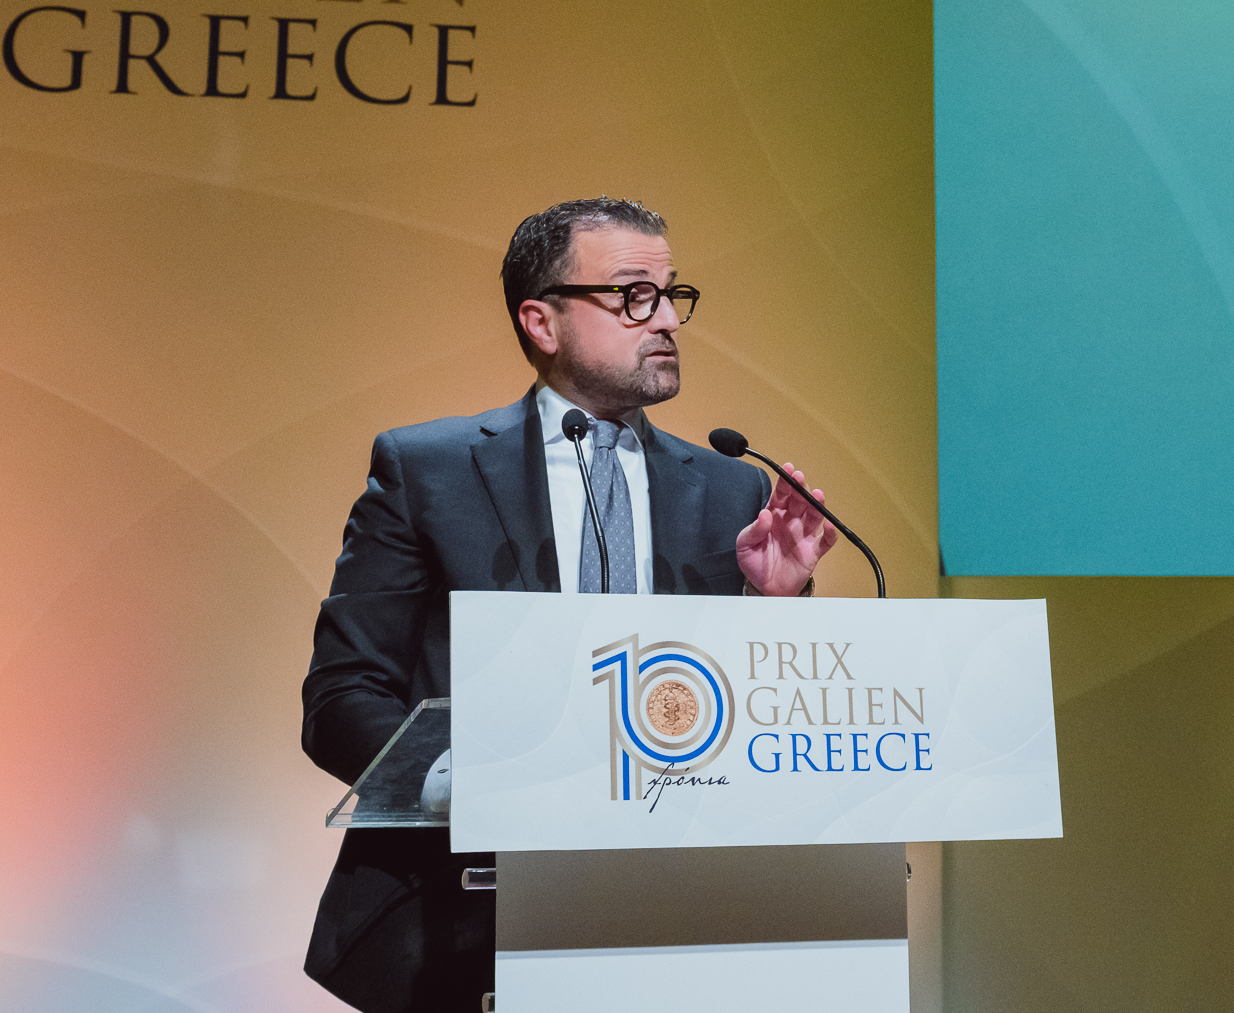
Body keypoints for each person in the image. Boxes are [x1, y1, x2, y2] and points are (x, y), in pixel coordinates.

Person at [299, 196, 837, 1012]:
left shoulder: (731, 487)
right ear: (541, 321)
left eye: (671, 294)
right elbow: (341, 697)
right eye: (633, 296)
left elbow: (744, 717)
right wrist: (469, 787)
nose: (667, 320)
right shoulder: (427, 471)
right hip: (458, 926)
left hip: (683, 919)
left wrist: (777, 605)